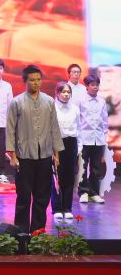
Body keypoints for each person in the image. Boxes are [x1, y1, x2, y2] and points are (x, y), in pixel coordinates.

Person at [6, 65, 64, 233]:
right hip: (24, 156)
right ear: (25, 81)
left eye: (39, 79)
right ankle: (21, 231)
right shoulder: (16, 102)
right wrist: (13, 156)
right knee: (24, 196)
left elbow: (54, 128)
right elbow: (10, 130)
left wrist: (56, 154)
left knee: (42, 196)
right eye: (32, 80)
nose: (36, 83)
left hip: (45, 155)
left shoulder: (49, 101)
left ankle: (38, 231)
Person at [77, 74, 108, 204]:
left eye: (97, 85)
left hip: (99, 139)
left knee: (96, 167)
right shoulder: (81, 101)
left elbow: (104, 120)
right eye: (93, 85)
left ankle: (94, 193)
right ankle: (83, 192)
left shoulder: (102, 102)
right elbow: (77, 120)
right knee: (83, 167)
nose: (95, 87)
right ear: (87, 86)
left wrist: (105, 136)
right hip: (84, 138)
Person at [52, 82, 78, 220]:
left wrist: (79, 148)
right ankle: (57, 207)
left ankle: (67, 207)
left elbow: (79, 128)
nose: (66, 94)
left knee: (70, 176)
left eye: (68, 92)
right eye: (63, 92)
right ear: (57, 93)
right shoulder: (53, 108)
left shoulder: (75, 109)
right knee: (57, 176)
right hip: (57, 144)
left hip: (71, 143)